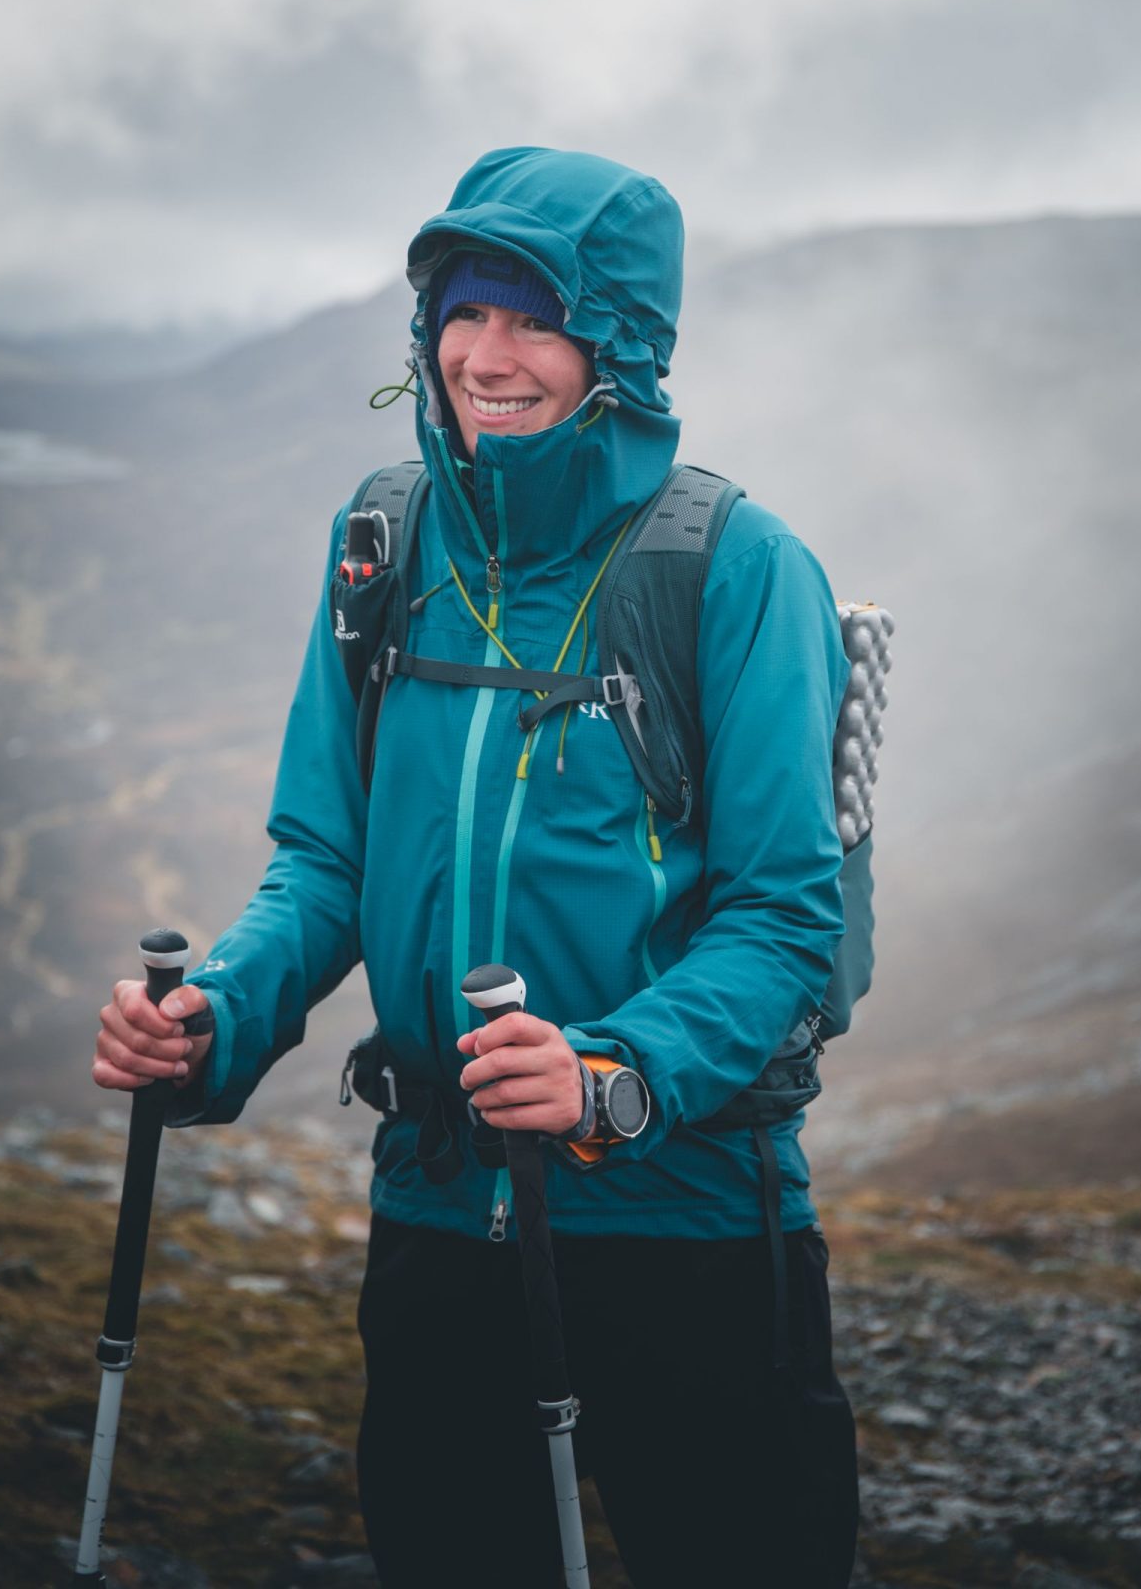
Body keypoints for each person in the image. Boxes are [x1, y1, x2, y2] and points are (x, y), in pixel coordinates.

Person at [92, 147, 859, 1588]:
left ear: (617, 344)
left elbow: (783, 916)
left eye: (534, 319)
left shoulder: (739, 568)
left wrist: (609, 1073)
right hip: (440, 1220)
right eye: (464, 310)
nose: (486, 355)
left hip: (684, 1227)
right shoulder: (384, 543)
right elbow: (326, 856)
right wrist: (220, 1016)